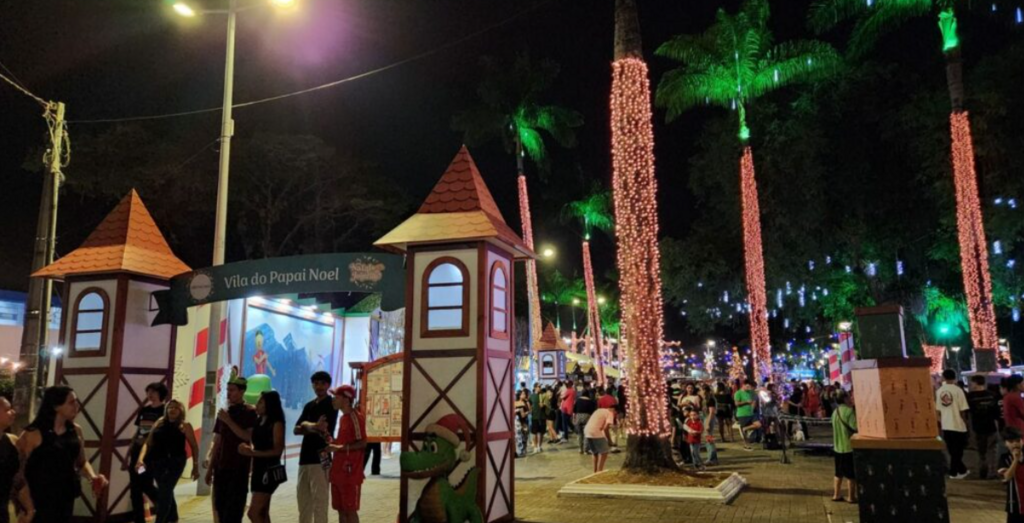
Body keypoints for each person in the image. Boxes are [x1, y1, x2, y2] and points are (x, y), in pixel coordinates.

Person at [18, 386, 108, 523]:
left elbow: (81, 462)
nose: (76, 406)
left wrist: (93, 477)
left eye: (76, 401)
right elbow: (18, 470)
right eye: (71, 402)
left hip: (66, 494)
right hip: (39, 496)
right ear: (55, 406)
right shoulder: (33, 433)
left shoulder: (75, 430)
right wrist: (25, 503)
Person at [136, 399, 200, 523]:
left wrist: (195, 466)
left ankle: (160, 520)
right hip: (158, 462)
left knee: (164, 492)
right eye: (170, 407)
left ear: (181, 411)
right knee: (166, 490)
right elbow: (148, 443)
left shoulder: (185, 425)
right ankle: (173, 517)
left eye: (176, 407)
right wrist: (140, 459)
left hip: (175, 462)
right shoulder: (159, 422)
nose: (173, 410)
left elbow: (194, 446)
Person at [207, 374, 259, 523]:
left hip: (238, 467)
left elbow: (247, 436)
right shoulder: (225, 412)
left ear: (242, 391)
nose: (229, 393)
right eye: (228, 390)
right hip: (221, 466)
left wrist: (228, 421)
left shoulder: (249, 411)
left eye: (233, 390)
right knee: (220, 506)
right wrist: (210, 467)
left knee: (234, 508)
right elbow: (218, 440)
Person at [294, 371, 337, 523]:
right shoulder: (309, 406)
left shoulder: (332, 404)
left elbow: (323, 427)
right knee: (303, 500)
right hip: (304, 458)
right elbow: (296, 429)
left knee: (320, 500)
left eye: (322, 383)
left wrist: (307, 426)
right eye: (316, 383)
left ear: (328, 385)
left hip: (322, 457)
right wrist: (313, 426)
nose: (318, 386)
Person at [238, 391, 287, 523]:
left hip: (269, 471)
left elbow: (277, 450)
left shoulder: (276, 423)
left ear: (269, 405)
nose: (257, 405)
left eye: (260, 402)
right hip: (258, 469)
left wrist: (253, 453)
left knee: (253, 513)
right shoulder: (259, 420)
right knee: (263, 512)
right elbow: (249, 436)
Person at [325, 385, 366, 523]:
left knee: (350, 511)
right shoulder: (343, 419)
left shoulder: (356, 417)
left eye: (336, 397)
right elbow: (342, 443)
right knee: (341, 510)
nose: (333, 400)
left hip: (350, 474)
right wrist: (331, 440)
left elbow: (362, 443)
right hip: (338, 473)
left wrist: (338, 448)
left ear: (346, 399)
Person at [127, 382, 166, 523]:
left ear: (160, 394)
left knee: (145, 483)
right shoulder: (143, 410)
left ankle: (164, 505)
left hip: (150, 453)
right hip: (137, 451)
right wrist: (130, 450)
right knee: (135, 487)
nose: (150, 395)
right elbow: (138, 430)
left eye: (153, 392)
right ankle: (138, 518)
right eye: (148, 391)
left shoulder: (164, 411)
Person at [0, 394, 32, 523]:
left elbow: (18, 480)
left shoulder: (12, 441)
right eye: (7, 409)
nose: (13, 412)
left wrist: (29, 509)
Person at [936, 369, 970, 479]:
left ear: (944, 377)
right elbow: (962, 410)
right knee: (958, 450)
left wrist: (941, 421)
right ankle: (954, 472)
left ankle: (961, 470)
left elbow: (938, 410)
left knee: (952, 450)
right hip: (958, 424)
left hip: (946, 424)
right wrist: (966, 423)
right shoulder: (958, 390)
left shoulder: (939, 391)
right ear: (954, 377)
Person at [967, 374, 1001, 480]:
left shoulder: (970, 397)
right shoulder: (992, 395)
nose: (971, 385)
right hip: (991, 426)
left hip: (978, 427)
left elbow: (968, 412)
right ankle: (993, 472)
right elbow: (997, 413)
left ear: (976, 383)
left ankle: (983, 472)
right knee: (992, 450)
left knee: (981, 452)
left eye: (972, 383)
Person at [831, 390, 857, 503]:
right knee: (851, 474)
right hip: (848, 447)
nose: (851, 398)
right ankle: (851, 497)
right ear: (845, 399)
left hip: (837, 446)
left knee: (838, 473)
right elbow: (855, 427)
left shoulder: (834, 412)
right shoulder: (849, 412)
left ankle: (836, 495)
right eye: (849, 397)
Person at [584, 395, 615, 473]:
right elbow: (606, 429)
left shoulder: (598, 410)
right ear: (613, 409)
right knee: (604, 452)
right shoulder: (610, 413)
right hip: (595, 432)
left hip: (587, 431)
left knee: (595, 452)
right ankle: (599, 471)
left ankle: (594, 470)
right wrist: (610, 441)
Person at [1001, 427, 1024, 522]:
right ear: (1005, 443)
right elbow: (1007, 477)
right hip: (1014, 503)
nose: (1015, 444)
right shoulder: (1004, 458)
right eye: (1011, 441)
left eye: (1018, 440)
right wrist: (1015, 460)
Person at [734, 379, 759, 451]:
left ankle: (745, 429)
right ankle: (746, 445)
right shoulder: (738, 393)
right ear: (743, 385)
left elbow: (754, 399)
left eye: (749, 387)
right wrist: (746, 402)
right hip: (742, 414)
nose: (749, 388)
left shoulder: (750, 392)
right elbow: (736, 404)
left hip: (751, 413)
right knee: (744, 433)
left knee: (758, 425)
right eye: (747, 386)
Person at [573, 386, 596, 454]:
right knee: (586, 433)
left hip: (578, 417)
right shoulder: (590, 401)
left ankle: (580, 449)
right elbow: (592, 411)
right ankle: (586, 449)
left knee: (580, 433)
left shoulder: (578, 400)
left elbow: (574, 410)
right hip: (587, 417)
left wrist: (574, 418)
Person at [682, 407, 705, 471]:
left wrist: (696, 432)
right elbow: (685, 428)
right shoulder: (689, 422)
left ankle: (701, 464)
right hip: (690, 440)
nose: (693, 416)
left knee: (696, 453)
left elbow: (701, 431)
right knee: (692, 453)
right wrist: (688, 432)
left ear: (697, 415)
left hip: (697, 440)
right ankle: (695, 465)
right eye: (691, 415)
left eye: (694, 415)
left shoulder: (699, 423)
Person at [701, 384, 719, 465]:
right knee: (708, 438)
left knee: (709, 439)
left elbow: (711, 412)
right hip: (706, 418)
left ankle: (712, 458)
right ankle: (713, 458)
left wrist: (707, 423)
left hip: (708, 418)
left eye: (704, 390)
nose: (702, 392)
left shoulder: (710, 399)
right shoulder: (704, 399)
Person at [529, 384, 545, 453]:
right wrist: (530, 409)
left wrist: (543, 405)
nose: (540, 388)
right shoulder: (532, 396)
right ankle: (535, 447)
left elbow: (547, 404)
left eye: (540, 387)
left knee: (541, 432)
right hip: (534, 416)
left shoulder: (543, 395)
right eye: (539, 387)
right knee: (534, 432)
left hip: (542, 416)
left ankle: (540, 446)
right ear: (535, 388)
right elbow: (529, 403)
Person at [514, 390, 530, 457]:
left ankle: (524, 451)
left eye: (524, 394)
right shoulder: (515, 402)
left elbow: (530, 410)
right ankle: (519, 452)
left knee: (525, 436)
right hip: (517, 421)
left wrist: (526, 413)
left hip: (525, 420)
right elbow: (512, 411)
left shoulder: (526, 402)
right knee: (518, 437)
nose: (524, 395)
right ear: (519, 395)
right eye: (522, 394)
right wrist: (517, 410)